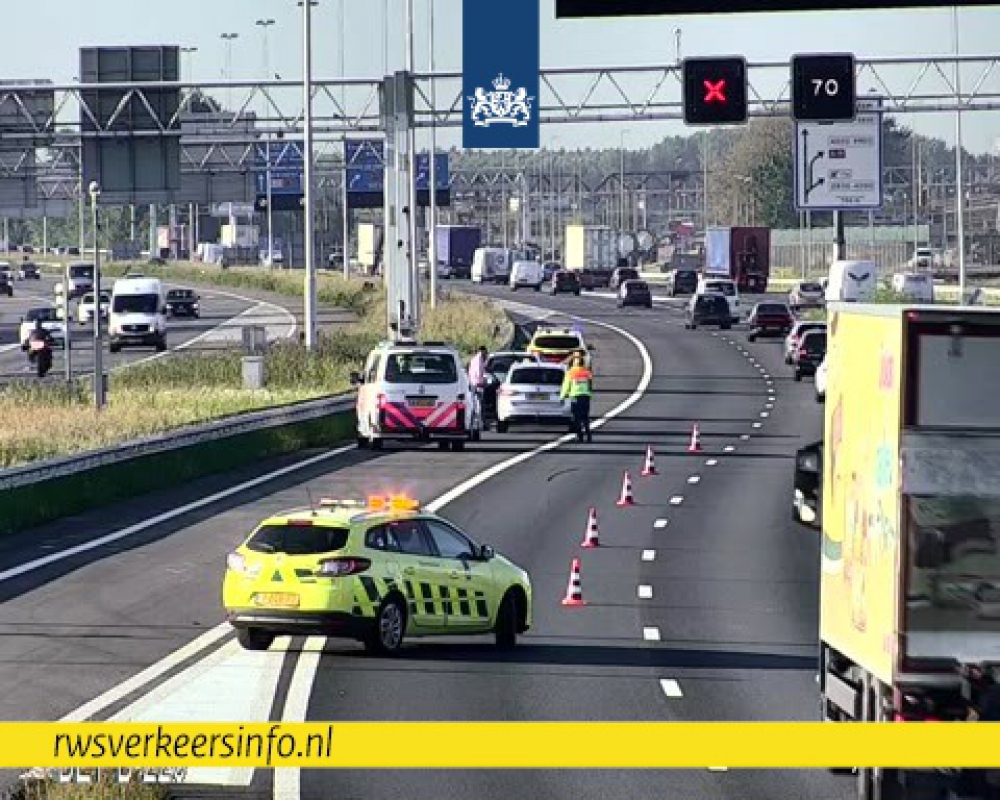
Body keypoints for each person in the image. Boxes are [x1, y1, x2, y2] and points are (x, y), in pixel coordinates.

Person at [561, 356, 594, 443]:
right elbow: (590, 385)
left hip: (575, 397)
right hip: (585, 397)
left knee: (577, 418)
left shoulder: (571, 372)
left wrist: (562, 396)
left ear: (573, 363)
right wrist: (590, 395)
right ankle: (589, 436)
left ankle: (580, 437)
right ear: (583, 363)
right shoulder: (587, 372)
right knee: (585, 417)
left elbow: (566, 386)